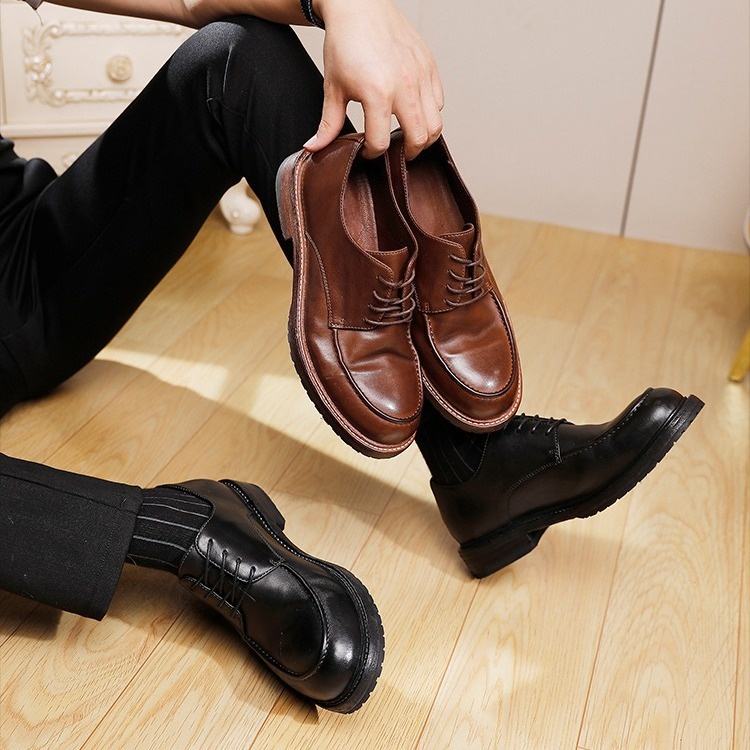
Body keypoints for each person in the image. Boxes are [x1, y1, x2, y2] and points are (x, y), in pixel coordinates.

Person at [0, 0, 702, 710]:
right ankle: (180, 530)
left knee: (238, 54)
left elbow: (188, 1)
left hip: (21, 254)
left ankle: (476, 460)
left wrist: (346, 6)